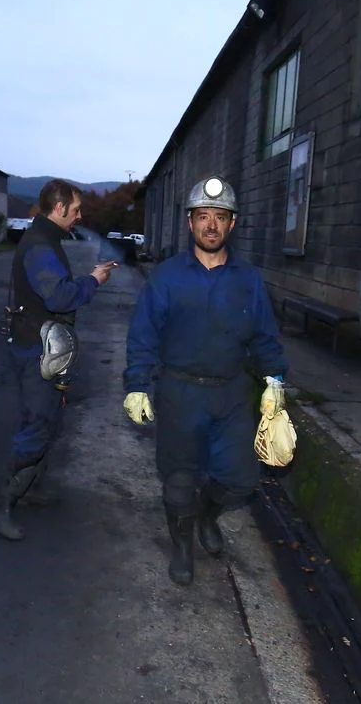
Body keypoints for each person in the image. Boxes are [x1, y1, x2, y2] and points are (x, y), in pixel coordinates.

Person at [123, 176, 288, 586]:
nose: (211, 225)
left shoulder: (248, 280)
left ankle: (207, 514)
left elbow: (265, 336)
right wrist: (137, 383)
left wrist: (276, 381)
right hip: (180, 393)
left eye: (219, 217)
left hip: (231, 394)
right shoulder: (166, 277)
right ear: (190, 223)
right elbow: (143, 334)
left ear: (232, 225)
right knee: (178, 480)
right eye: (202, 217)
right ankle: (181, 545)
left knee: (241, 478)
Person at [0, 179, 114, 541]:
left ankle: (29, 488)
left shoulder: (44, 240)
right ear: (58, 209)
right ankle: (2, 503)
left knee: (47, 420)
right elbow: (59, 297)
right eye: (75, 211)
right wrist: (94, 280)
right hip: (35, 350)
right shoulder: (41, 246)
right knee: (39, 425)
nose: (79, 217)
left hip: (39, 346)